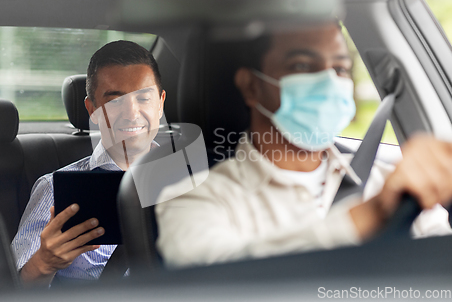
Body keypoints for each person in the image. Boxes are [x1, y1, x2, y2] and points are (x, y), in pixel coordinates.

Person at [155, 22, 452, 269]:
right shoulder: (192, 200)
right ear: (251, 86)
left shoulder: (388, 181)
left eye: (339, 68)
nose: (327, 81)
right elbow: (214, 280)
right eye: (301, 65)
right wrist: (369, 217)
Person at [12, 40, 166, 285]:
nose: (132, 113)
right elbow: (13, 292)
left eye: (143, 99)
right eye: (115, 101)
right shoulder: (54, 189)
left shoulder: (194, 180)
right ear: (92, 109)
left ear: (160, 103)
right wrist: (44, 262)